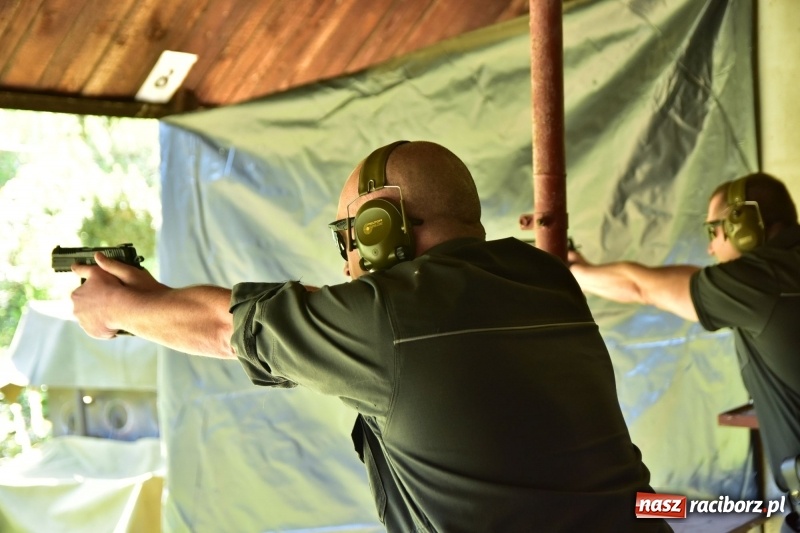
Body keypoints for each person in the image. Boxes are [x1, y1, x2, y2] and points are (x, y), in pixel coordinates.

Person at [71, 140, 669, 532]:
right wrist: (145, 296)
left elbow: (225, 326)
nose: (348, 259)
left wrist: (116, 307)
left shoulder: (391, 316)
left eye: (351, 234)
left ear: (382, 226)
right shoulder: (544, 276)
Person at [568, 172, 800, 530]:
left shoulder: (762, 282)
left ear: (744, 225)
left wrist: (574, 272)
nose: (711, 247)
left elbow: (642, 287)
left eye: (714, 231)